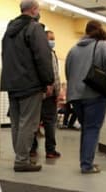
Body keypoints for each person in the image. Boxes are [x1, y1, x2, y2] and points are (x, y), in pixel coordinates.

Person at [0, 0, 54, 172]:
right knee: (28, 123)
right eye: (38, 9)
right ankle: (22, 160)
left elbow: (5, 56)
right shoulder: (34, 28)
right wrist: (48, 81)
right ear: (33, 10)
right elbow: (42, 57)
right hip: (30, 83)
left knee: (16, 122)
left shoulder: (9, 31)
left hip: (12, 83)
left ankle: (19, 156)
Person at [65, 20, 106, 174]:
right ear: (100, 30)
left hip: (75, 96)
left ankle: (85, 162)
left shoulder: (73, 49)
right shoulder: (104, 45)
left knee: (86, 128)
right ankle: (87, 165)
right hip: (95, 93)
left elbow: (68, 72)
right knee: (92, 129)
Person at [31, 30, 61, 159]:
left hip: (40, 93)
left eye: (53, 39)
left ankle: (32, 149)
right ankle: (50, 150)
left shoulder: (36, 53)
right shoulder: (49, 54)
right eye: (50, 38)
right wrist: (55, 90)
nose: (52, 41)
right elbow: (54, 74)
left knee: (35, 122)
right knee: (49, 123)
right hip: (47, 93)